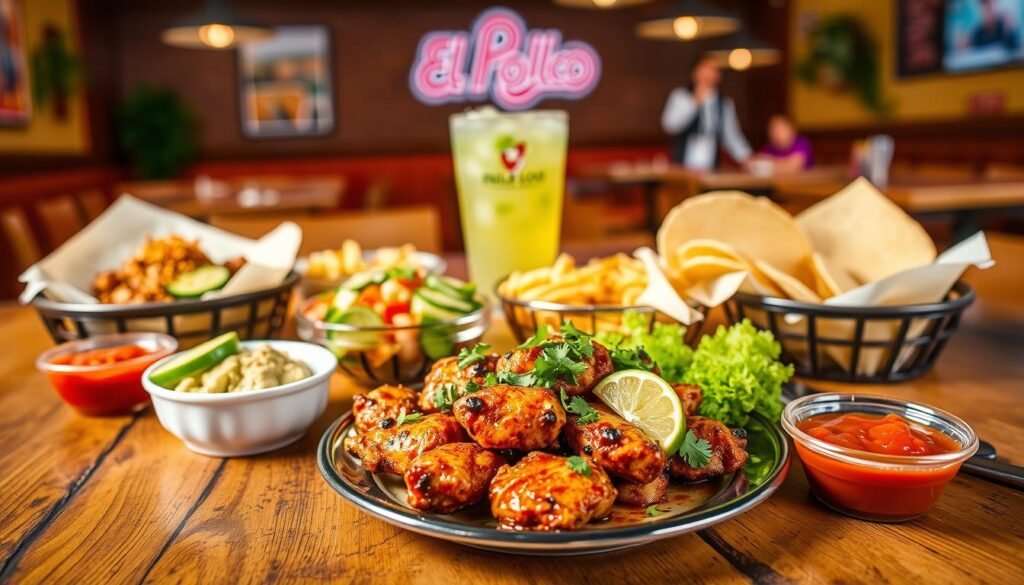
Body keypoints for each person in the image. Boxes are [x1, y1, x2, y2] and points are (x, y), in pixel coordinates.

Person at [661, 56, 752, 171]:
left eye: (714, 70)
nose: (708, 74)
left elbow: (731, 136)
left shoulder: (724, 103)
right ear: (695, 72)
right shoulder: (681, 96)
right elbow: (670, 126)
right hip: (682, 165)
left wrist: (746, 156)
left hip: (711, 164)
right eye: (705, 68)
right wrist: (694, 102)